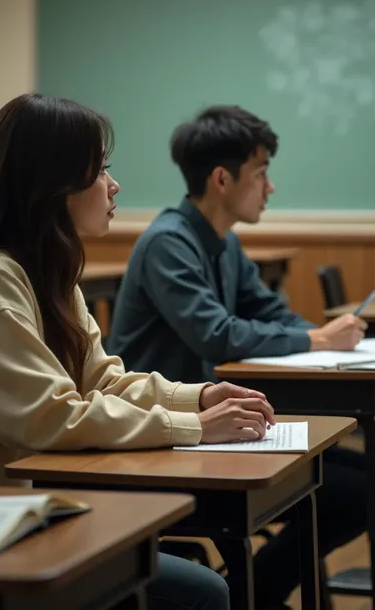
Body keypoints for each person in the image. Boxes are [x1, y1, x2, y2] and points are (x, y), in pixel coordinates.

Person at [0, 95, 275, 610]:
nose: (114, 185)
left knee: (188, 579)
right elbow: (50, 417)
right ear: (52, 184)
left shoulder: (48, 274)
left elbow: (101, 380)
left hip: (27, 510)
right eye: (101, 169)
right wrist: (192, 429)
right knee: (199, 592)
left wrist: (201, 398)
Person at [107, 104, 367, 609]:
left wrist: (331, 338)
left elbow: (270, 311)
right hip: (166, 435)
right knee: (350, 494)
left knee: (361, 479)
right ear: (222, 178)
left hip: (217, 423)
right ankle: (257, 594)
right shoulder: (168, 243)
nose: (270, 187)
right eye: (262, 172)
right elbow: (218, 336)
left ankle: (256, 592)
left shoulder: (223, 245)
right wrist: (319, 342)